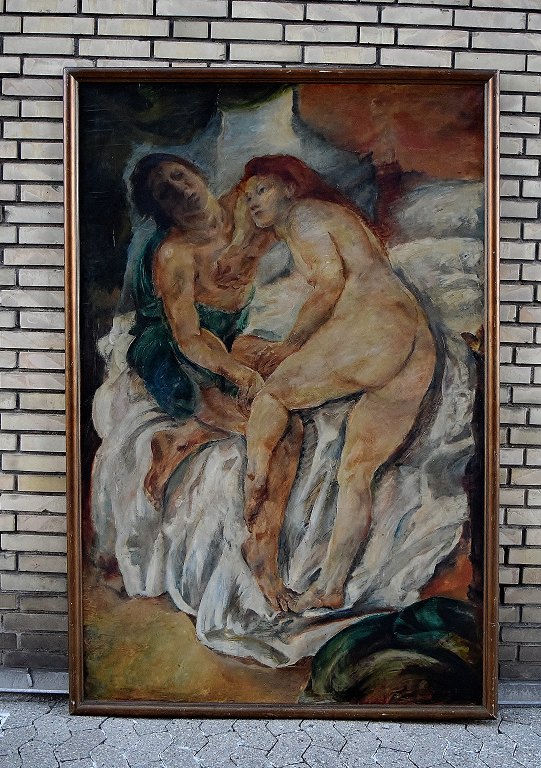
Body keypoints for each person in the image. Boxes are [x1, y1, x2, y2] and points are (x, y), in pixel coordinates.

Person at [234, 155, 437, 613]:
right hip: (415, 341)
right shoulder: (336, 218)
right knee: (357, 471)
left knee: (273, 394)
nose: (253, 202)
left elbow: (329, 286)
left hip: (376, 328)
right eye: (247, 197)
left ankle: (255, 478)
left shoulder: (306, 217)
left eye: (262, 190)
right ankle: (330, 587)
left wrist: (290, 345)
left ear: (290, 188)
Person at [126, 153, 303, 536]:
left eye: (179, 175)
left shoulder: (246, 203)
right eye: (165, 192)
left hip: (235, 336)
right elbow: (189, 338)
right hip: (180, 351)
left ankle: (180, 439)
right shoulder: (175, 255)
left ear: (196, 171)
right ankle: (259, 536)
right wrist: (239, 373)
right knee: (267, 427)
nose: (181, 190)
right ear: (161, 210)